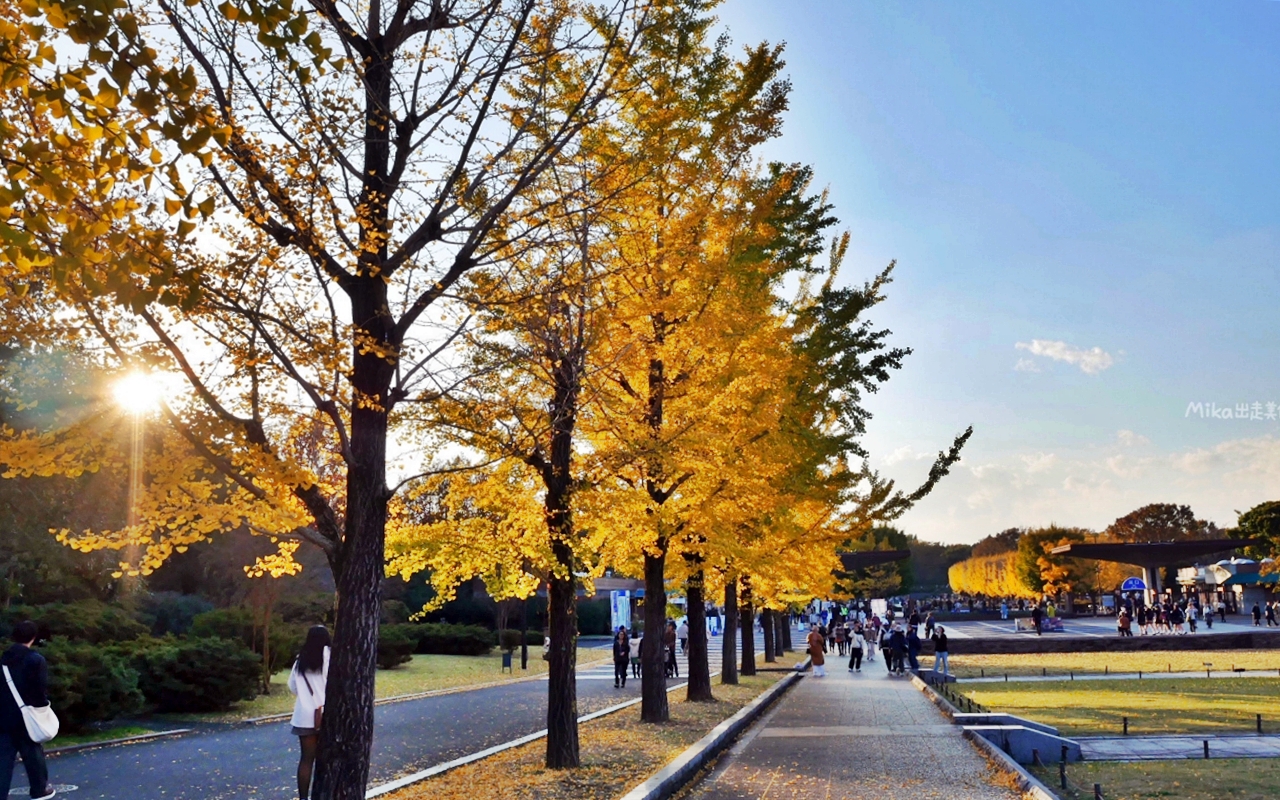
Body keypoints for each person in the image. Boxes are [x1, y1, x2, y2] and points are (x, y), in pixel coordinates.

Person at [1, 621, 54, 800]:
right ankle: (39, 790)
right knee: (33, 753)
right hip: (27, 715)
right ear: (33, 637)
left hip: (4, 715)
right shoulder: (35, 660)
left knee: (3, 759)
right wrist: (43, 708)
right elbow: (39, 690)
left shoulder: (3, 660)